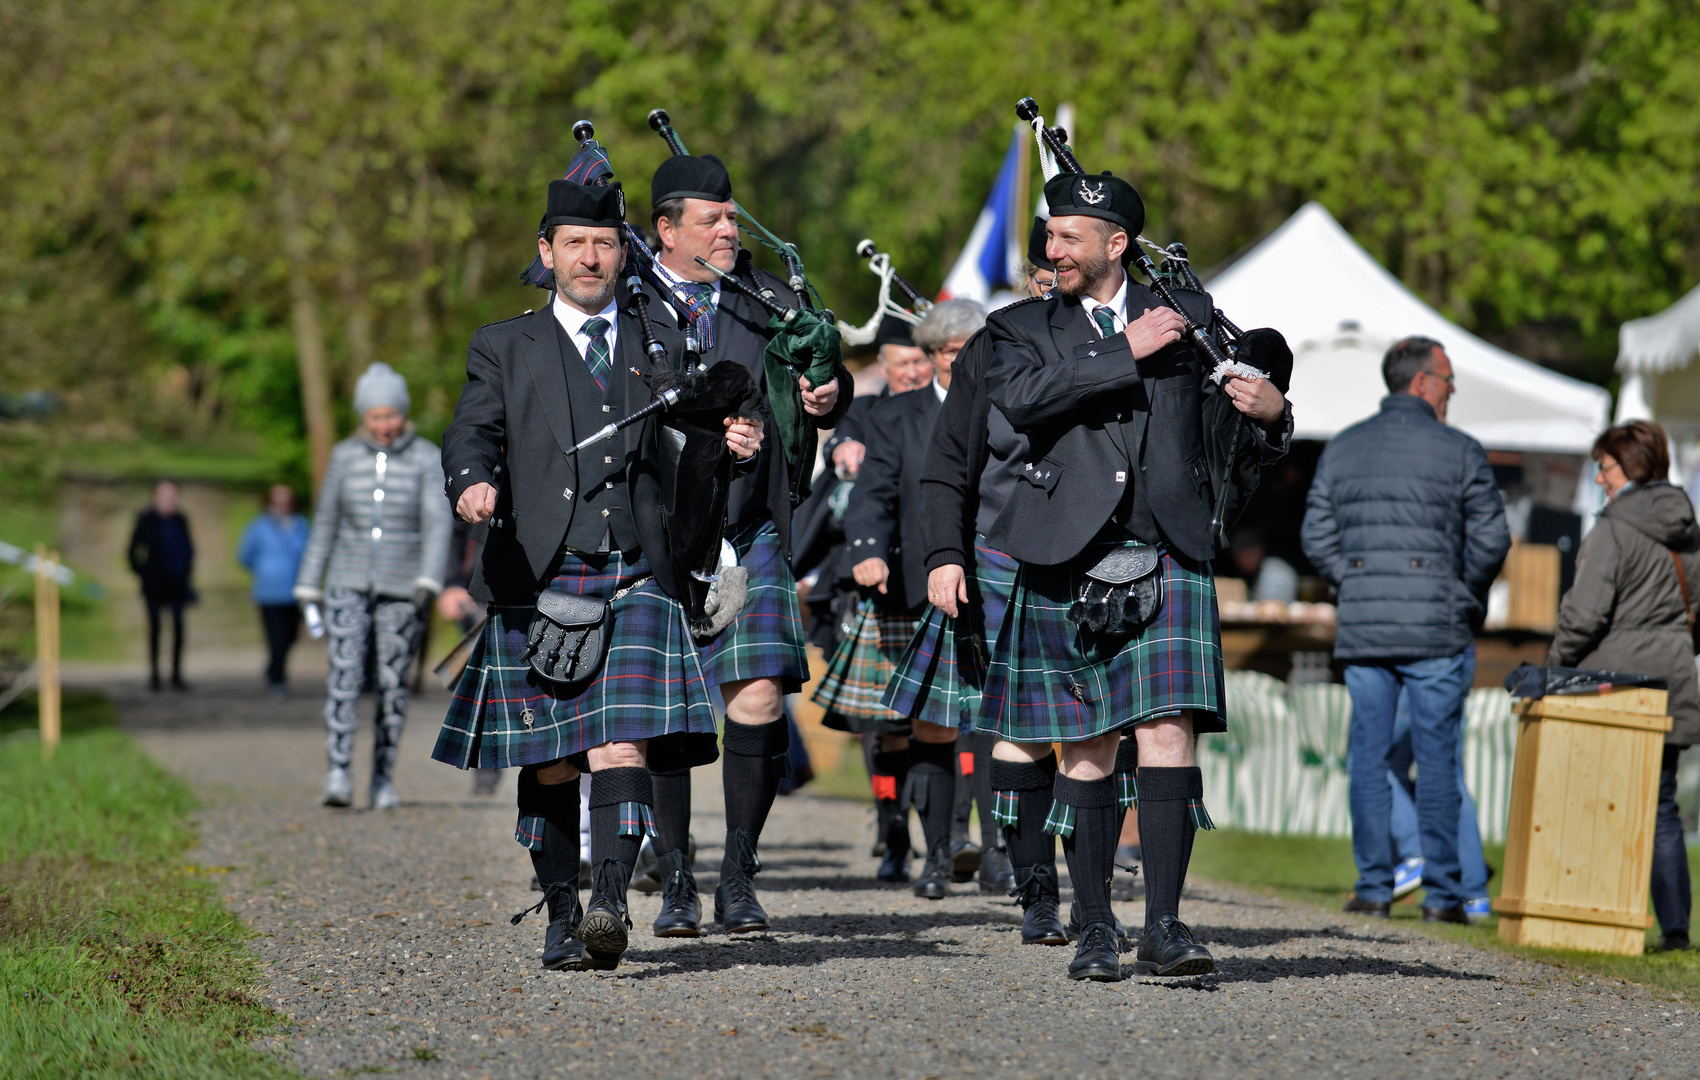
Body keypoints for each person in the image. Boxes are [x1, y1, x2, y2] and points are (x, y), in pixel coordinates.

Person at [433, 177, 763, 972]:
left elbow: (699, 443)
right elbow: (472, 431)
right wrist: (472, 481)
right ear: (546, 254)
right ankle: (559, 913)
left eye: (605, 243)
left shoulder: (665, 337)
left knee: (622, 748)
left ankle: (610, 903)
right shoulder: (504, 346)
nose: (591, 256)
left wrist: (733, 442)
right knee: (549, 758)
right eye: (575, 243)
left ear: (626, 255)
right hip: (542, 573)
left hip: (637, 570)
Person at [982, 175, 1291, 981]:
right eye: (1050, 236)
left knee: (1165, 734)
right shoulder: (1020, 327)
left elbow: (1231, 433)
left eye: (1069, 238)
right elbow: (1019, 403)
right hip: (1067, 550)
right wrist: (1128, 349)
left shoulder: (1190, 322)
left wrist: (1270, 413)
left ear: (1117, 245)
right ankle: (1092, 927)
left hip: (1172, 545)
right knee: (1085, 745)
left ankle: (1163, 925)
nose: (1053, 250)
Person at [636, 151, 854, 939]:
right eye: (713, 220)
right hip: (659, 531)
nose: (731, 229)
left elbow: (817, 372)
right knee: (666, 711)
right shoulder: (631, 304)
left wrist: (828, 393)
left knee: (758, 695)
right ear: (667, 230)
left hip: (749, 519)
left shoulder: (766, 298)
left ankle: (737, 874)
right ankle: (675, 880)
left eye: (732, 217)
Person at [1302, 336, 1510, 924]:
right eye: (1447, 381)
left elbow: (1316, 537)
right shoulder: (1460, 449)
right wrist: (1461, 591)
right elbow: (1493, 539)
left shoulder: (1343, 447)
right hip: (1437, 631)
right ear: (1422, 383)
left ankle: (1374, 887)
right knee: (1438, 762)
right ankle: (1443, 895)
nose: (1450, 392)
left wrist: (1355, 580)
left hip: (1367, 626)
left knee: (1368, 760)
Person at [826, 298, 987, 899]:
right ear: (933, 356)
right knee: (932, 727)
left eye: (975, 350)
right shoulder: (896, 417)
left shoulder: (1012, 404)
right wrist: (867, 549)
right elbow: (872, 494)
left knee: (1000, 727)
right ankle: (936, 853)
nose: (966, 361)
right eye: (953, 352)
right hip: (921, 587)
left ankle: (996, 854)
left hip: (998, 583)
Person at [1547, 420, 1700, 951]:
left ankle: (1599, 916)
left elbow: (1584, 615)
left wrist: (1555, 667)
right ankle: (1675, 930)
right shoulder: (1688, 527)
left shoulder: (1613, 527)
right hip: (1674, 673)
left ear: (1631, 468)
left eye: (1604, 467)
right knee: (1661, 804)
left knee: (1602, 797)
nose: (1598, 479)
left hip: (1615, 682)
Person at [810, 308, 946, 883]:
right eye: (903, 363)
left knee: (941, 722)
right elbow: (846, 439)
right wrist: (845, 450)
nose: (913, 371)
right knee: (884, 726)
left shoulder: (950, 412)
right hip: (871, 584)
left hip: (936, 579)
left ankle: (948, 838)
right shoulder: (866, 412)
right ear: (886, 366)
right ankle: (894, 834)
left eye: (921, 360)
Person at [296, 362, 451, 811]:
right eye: (375, 417)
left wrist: (429, 578)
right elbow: (325, 522)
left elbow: (437, 523)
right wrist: (309, 585)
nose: (384, 425)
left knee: (392, 683)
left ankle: (383, 777)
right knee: (343, 678)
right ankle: (338, 771)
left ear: (403, 414)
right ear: (363, 418)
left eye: (392, 416)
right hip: (346, 581)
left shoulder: (425, 457)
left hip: (403, 588)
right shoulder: (345, 457)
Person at [238, 484, 309, 696]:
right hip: (269, 593)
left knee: (292, 636)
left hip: (295, 591)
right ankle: (277, 678)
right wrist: (265, 570)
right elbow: (245, 556)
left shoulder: (301, 525)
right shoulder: (259, 527)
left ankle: (273, 667)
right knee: (276, 638)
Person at [128, 480, 195, 692]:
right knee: (155, 627)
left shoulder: (180, 519)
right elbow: (132, 550)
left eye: (172, 494)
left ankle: (176, 674)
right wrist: (143, 573)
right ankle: (155, 675)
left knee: (178, 627)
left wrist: (186, 573)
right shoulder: (146, 519)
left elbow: (188, 549)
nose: (169, 499)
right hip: (155, 584)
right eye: (164, 494)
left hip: (177, 583)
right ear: (156, 496)